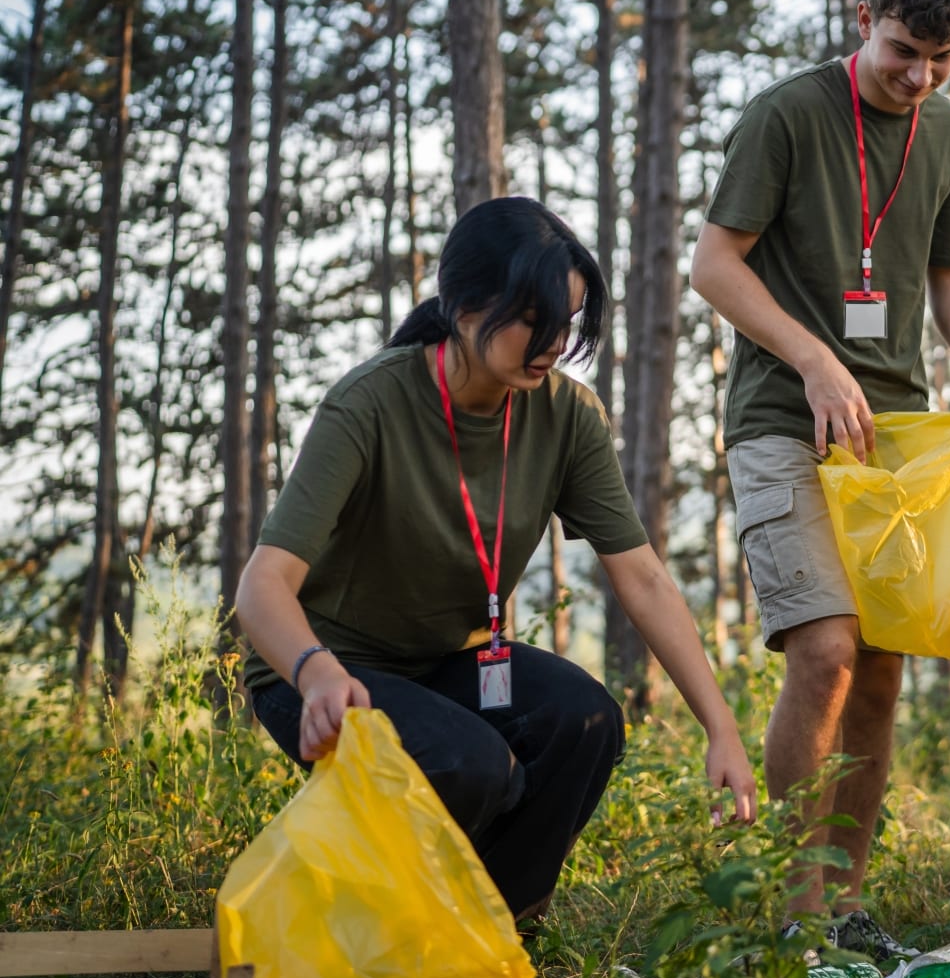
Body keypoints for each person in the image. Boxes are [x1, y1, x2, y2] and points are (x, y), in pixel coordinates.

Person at [238, 197, 756, 925]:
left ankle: (488, 938)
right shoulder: (370, 403)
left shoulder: (566, 416)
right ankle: (354, 936)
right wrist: (316, 669)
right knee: (469, 765)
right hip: (324, 671)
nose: (550, 343)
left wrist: (720, 726)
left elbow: (641, 576)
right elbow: (261, 586)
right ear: (463, 305)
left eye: (567, 322)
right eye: (532, 319)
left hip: (449, 663)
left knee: (587, 722)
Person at [688, 0, 950, 959]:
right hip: (781, 422)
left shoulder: (947, 135)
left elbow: (949, 278)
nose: (919, 76)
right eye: (901, 51)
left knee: (879, 671)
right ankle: (786, 912)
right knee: (825, 651)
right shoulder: (786, 116)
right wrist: (811, 360)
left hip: (894, 437)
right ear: (861, 20)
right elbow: (713, 266)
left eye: (943, 56)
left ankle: (842, 902)